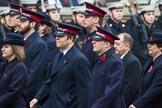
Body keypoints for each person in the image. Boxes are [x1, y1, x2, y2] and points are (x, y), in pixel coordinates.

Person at [30, 23, 91, 108]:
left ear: (70, 39)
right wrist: (38, 98)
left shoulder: (79, 59)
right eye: (56, 36)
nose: (56, 38)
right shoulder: (59, 56)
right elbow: (51, 81)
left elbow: (84, 91)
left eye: (61, 36)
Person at [17, 8, 48, 105]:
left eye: (23, 21)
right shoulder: (21, 41)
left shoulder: (39, 44)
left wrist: (19, 93)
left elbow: (34, 74)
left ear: (32, 24)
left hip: (28, 96)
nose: (19, 23)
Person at [88, 26, 125, 108]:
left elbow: (111, 91)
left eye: (97, 40)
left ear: (107, 44)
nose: (93, 42)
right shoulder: (100, 59)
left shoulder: (115, 62)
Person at [129, 31, 162, 108]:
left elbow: (155, 89)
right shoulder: (150, 61)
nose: (148, 46)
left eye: (152, 44)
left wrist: (138, 104)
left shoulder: (160, 64)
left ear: (161, 47)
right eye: (149, 44)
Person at [114, 33, 142, 107]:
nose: (114, 46)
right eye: (114, 44)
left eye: (117, 44)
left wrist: (120, 105)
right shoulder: (118, 59)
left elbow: (130, 88)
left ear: (126, 46)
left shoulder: (133, 62)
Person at [0, 32, 28, 108]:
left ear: (15, 49)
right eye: (2, 46)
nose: (2, 49)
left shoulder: (19, 67)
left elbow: (13, 92)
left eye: (6, 47)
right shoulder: (5, 64)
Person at [81, 2, 107, 69]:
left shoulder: (101, 38)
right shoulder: (88, 36)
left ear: (96, 19)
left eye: (86, 17)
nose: (83, 19)